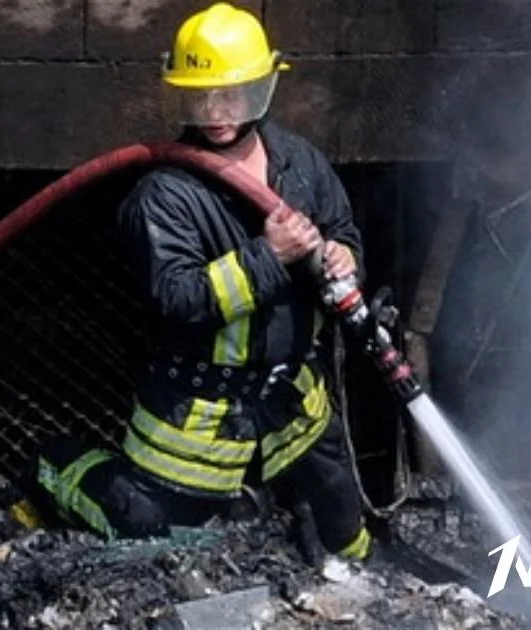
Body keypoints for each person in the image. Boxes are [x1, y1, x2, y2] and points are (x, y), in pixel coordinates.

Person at [25, 2, 373, 563]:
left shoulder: (299, 162)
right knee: (150, 531)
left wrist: (343, 257)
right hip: (196, 418)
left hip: (292, 404)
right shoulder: (164, 194)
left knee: (343, 527)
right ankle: (61, 468)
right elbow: (178, 298)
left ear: (261, 88)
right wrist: (270, 255)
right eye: (200, 95)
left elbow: (341, 227)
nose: (215, 110)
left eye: (231, 94)